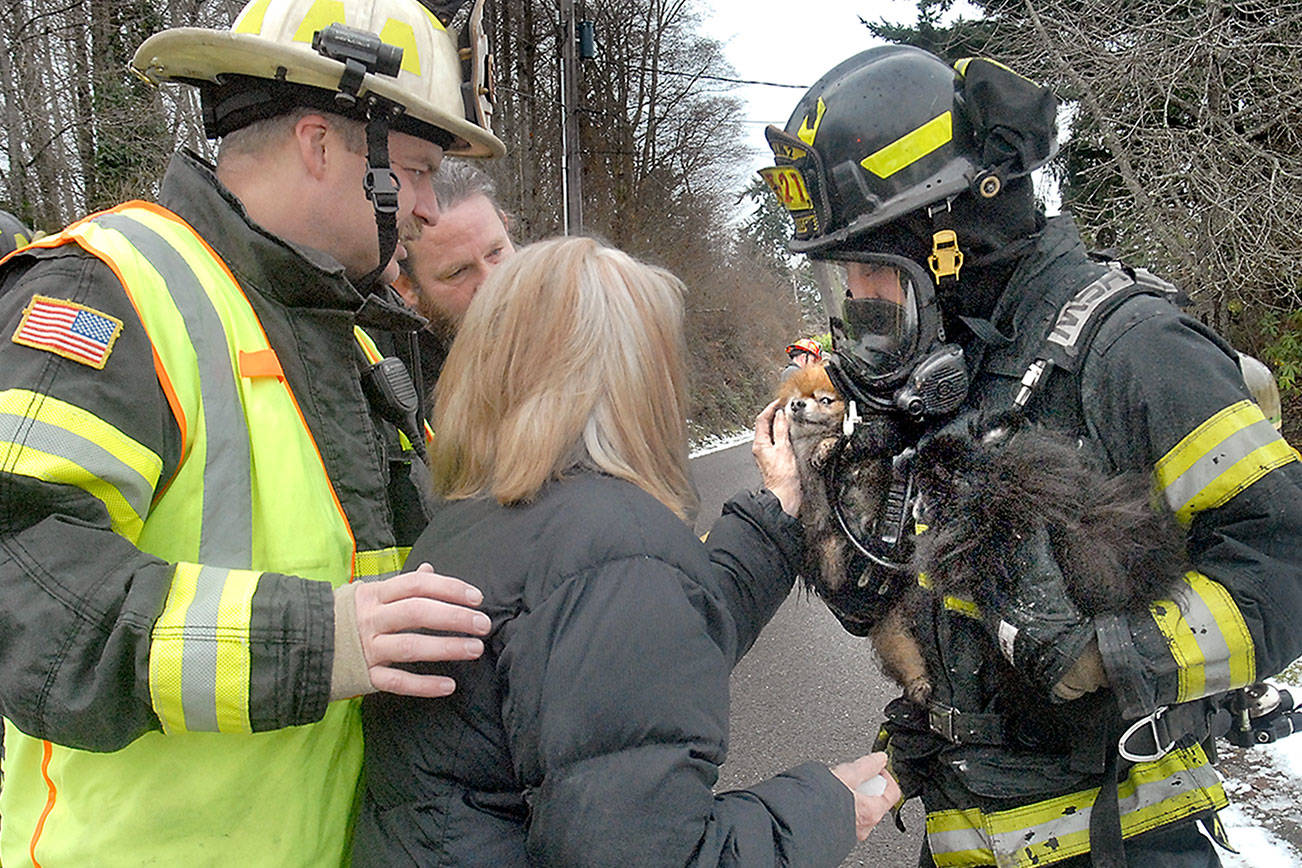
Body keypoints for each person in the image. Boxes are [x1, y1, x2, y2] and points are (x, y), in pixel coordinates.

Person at [759, 46, 1302, 867]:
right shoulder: (955, 370)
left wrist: (1112, 655)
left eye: (871, 268)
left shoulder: (1134, 350)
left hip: (1127, 841)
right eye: (846, 277)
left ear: (950, 241)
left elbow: (1284, 558)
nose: (859, 301)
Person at [0, 0, 508, 864]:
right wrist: (318, 640)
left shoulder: (349, 341)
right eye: (419, 170)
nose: (428, 209)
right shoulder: (109, 289)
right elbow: (29, 596)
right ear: (320, 144)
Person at [354, 236, 902, 866]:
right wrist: (827, 809)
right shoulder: (613, 550)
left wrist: (774, 510)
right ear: (636, 378)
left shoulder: (470, 524)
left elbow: (641, 647)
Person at [393, 158, 515, 390]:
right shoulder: (393, 391)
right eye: (458, 272)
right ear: (405, 286)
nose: (491, 282)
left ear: (505, 226)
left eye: (495, 253)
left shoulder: (573, 330)